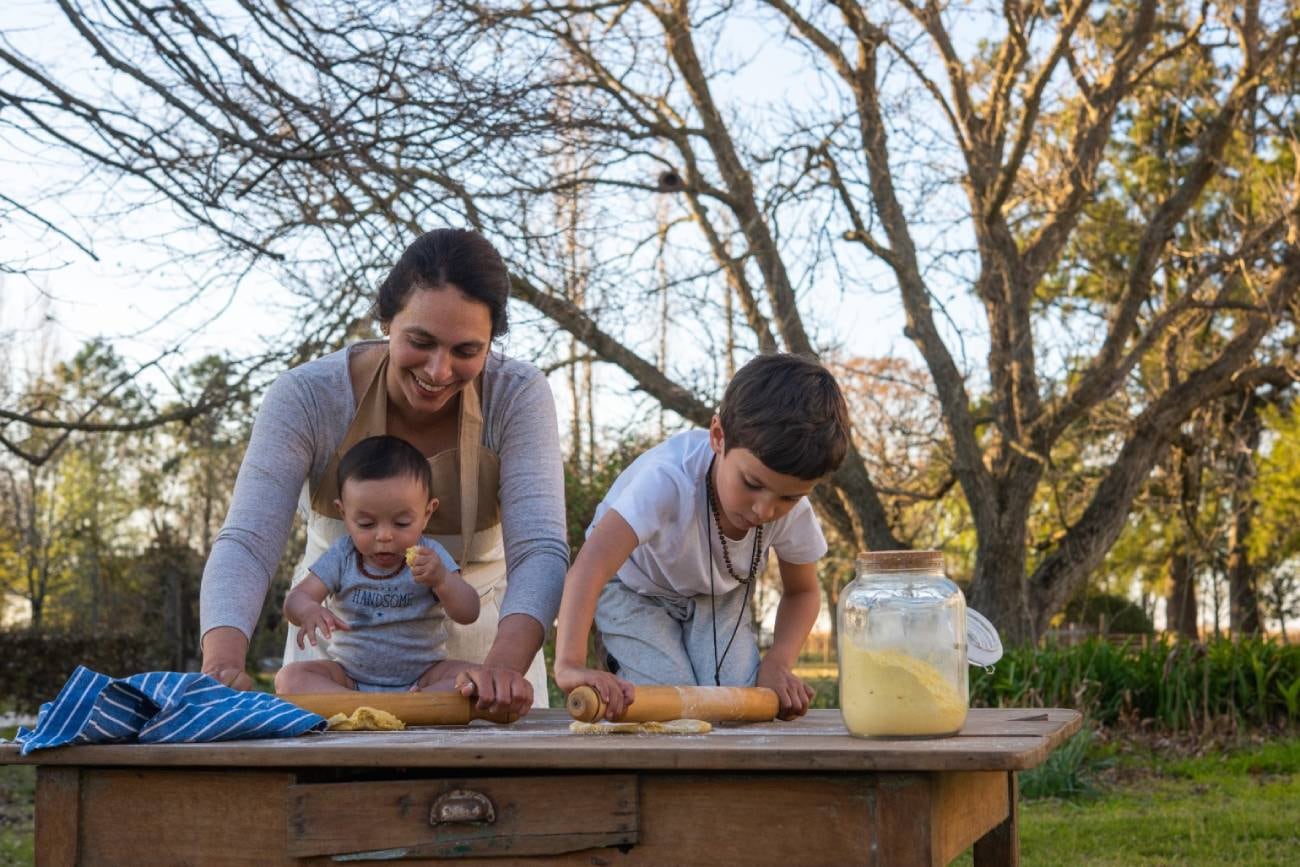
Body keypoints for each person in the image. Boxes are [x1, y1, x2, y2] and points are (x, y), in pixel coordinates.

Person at [200, 228, 568, 716]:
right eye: (420, 341)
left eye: (466, 351)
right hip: (338, 659)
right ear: (386, 319)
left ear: (491, 343)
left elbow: (540, 548)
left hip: (480, 654)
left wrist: (502, 669)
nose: (439, 371)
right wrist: (222, 662)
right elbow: (248, 539)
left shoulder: (517, 395)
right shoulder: (307, 396)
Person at [552, 353, 850, 721]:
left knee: (739, 705)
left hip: (718, 596)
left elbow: (802, 591)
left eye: (788, 497)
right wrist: (568, 664)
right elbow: (589, 568)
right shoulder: (666, 481)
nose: (764, 511)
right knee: (668, 706)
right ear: (718, 436)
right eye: (752, 484)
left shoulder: (792, 511)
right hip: (633, 589)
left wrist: (778, 662)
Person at [276, 435, 480, 693]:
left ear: (427, 513)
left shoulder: (430, 555)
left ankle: (412, 703)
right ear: (344, 514)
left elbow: (469, 611)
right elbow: (296, 599)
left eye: (402, 523)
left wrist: (442, 580)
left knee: (473, 679)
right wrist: (307, 609)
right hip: (349, 678)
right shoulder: (343, 556)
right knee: (289, 679)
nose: (384, 536)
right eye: (366, 524)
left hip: (423, 677)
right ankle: (366, 706)